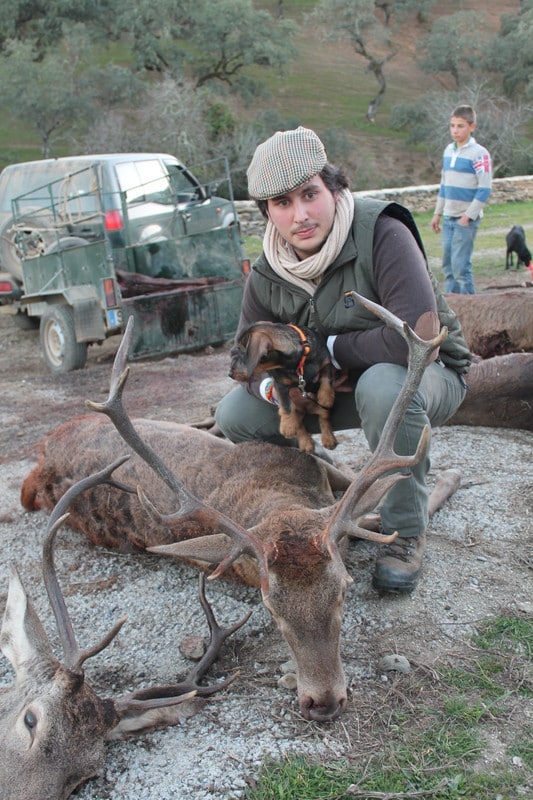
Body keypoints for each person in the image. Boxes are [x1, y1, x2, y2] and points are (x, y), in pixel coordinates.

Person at [215, 126, 471, 593]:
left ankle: (404, 532)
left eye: (310, 194)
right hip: (330, 396)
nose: (301, 214)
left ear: (334, 187)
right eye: (282, 203)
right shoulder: (267, 273)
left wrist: (329, 350)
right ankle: (303, 511)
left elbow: (418, 339)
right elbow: (242, 360)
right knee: (236, 413)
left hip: (425, 378)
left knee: (385, 387)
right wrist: (275, 390)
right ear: (267, 212)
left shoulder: (384, 234)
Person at [431, 105, 492, 294]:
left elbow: (484, 189)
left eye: (460, 126)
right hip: (448, 217)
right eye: (452, 126)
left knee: (461, 269)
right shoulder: (448, 151)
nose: (455, 130)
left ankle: (472, 311)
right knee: (448, 268)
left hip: (464, 220)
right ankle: (453, 311)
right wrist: (437, 213)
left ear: (472, 127)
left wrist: (468, 216)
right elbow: (444, 185)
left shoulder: (480, 154)